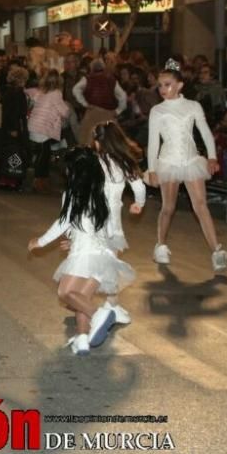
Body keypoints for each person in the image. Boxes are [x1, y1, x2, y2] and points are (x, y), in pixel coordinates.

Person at [28, 147, 135, 355]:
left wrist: (39, 242)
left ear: (74, 171)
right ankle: (83, 339)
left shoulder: (72, 192)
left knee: (65, 292)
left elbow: (63, 222)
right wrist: (73, 240)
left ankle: (98, 317)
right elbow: (104, 226)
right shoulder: (102, 192)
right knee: (80, 297)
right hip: (103, 254)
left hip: (85, 253)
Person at [146, 60, 227, 273]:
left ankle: (217, 251)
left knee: (201, 205)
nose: (163, 89)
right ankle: (161, 244)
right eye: (160, 85)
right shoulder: (157, 110)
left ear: (180, 85)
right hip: (169, 161)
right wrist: (153, 169)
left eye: (167, 84)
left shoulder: (193, 106)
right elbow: (154, 142)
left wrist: (211, 157)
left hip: (191, 160)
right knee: (168, 208)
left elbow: (205, 132)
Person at [91, 121, 146, 325]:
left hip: (93, 217)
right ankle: (111, 306)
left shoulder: (94, 161)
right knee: (110, 264)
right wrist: (138, 204)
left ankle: (108, 304)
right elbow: (139, 187)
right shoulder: (124, 162)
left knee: (98, 262)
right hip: (112, 221)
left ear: (99, 142)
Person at [26, 69, 73, 193]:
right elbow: (64, 112)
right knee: (43, 157)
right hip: (43, 129)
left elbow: (29, 94)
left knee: (43, 154)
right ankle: (39, 182)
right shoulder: (56, 93)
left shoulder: (41, 92)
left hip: (33, 127)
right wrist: (68, 108)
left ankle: (41, 181)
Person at [73, 59, 127, 146]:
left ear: (91, 68)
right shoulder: (111, 80)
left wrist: (85, 104)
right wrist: (118, 111)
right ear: (104, 68)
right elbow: (123, 96)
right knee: (111, 142)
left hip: (92, 114)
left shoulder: (87, 79)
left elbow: (75, 90)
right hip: (108, 115)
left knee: (86, 142)